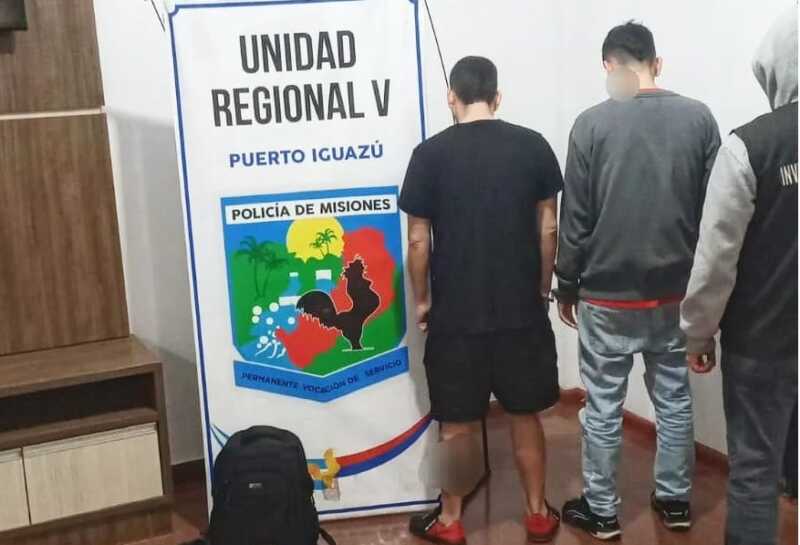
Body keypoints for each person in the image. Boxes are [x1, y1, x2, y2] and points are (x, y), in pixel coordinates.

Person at [555, 22, 720, 540]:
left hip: (606, 297)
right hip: (676, 296)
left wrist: (566, 284)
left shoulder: (590, 125)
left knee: (603, 406)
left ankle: (603, 512)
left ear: (609, 67)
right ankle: (675, 502)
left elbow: (575, 217)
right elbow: (713, 216)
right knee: (674, 400)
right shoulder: (699, 119)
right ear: (657, 63)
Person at [400, 56, 563, 544]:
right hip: (521, 309)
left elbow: (417, 242)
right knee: (524, 414)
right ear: (497, 96)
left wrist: (423, 300)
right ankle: (537, 512)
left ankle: (450, 520)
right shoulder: (533, 146)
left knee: (457, 422)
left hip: (455, 313)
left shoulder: (428, 155)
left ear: (451, 97)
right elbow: (549, 228)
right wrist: (542, 286)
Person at [680, 9, 797, 545]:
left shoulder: (750, 146)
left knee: (754, 475)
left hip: (762, 343)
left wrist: (698, 333)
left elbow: (716, 259)